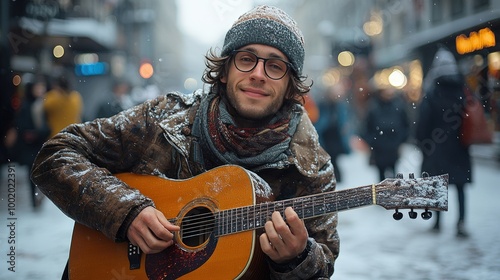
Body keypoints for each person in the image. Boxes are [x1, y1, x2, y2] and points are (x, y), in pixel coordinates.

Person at [31, 5, 338, 279]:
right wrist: (125, 212)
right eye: (246, 59)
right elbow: (56, 154)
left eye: (275, 66)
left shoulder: (311, 168)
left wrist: (297, 260)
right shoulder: (163, 119)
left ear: (290, 86)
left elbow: (323, 263)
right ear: (224, 71)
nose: (258, 74)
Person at [415, 46, 472, 238]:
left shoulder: (432, 91)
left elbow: (423, 122)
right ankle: (461, 222)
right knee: (460, 186)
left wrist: (423, 142)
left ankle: (438, 222)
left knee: (439, 185)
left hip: (437, 146)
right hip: (460, 145)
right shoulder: (463, 89)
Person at [13, 78, 50, 208]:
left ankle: (39, 196)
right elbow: (21, 124)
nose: (41, 91)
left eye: (42, 88)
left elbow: (48, 125)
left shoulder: (44, 104)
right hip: (30, 145)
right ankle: (34, 199)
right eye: (38, 88)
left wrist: (40, 132)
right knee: (33, 172)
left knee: (42, 170)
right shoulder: (26, 105)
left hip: (41, 142)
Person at [362, 85, 409, 181]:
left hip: (393, 147)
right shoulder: (373, 107)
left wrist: (401, 140)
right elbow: (367, 127)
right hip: (379, 148)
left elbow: (405, 125)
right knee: (381, 176)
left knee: (395, 175)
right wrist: (373, 142)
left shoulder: (398, 106)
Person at [315, 83, 351, 183]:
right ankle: (334, 179)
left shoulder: (339, 105)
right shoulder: (324, 104)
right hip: (327, 136)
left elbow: (343, 120)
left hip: (335, 137)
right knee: (330, 159)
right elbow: (320, 122)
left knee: (334, 159)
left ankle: (336, 179)